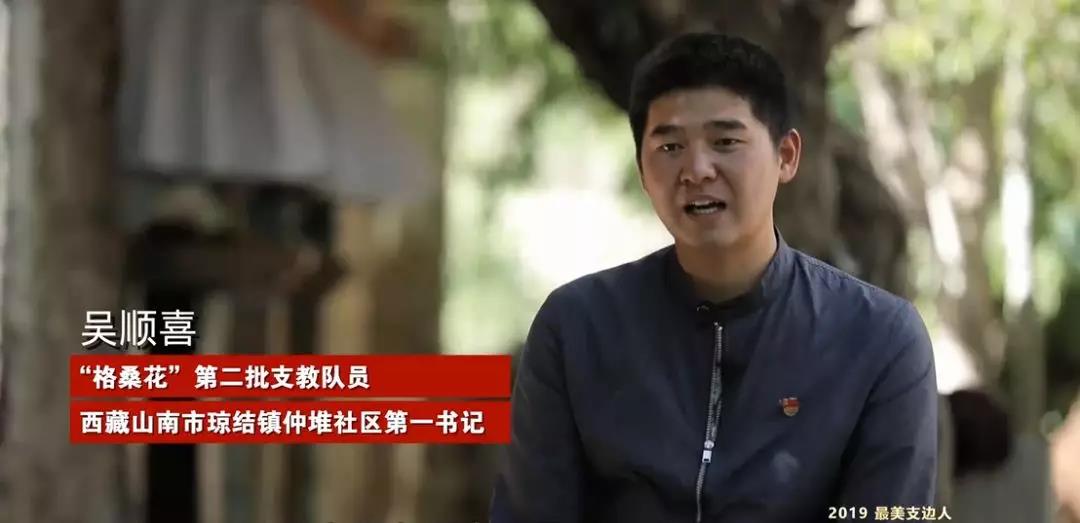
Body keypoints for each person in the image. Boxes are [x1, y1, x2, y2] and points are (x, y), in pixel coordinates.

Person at [489, 32, 938, 522]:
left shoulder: (879, 338)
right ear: (642, 169)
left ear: (786, 156)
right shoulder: (576, 329)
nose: (697, 169)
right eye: (670, 146)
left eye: (725, 142)